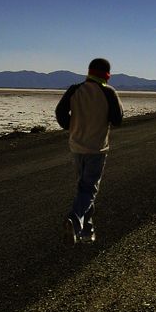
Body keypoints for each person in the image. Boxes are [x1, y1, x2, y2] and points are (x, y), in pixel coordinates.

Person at [55, 57, 124, 245]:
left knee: (83, 188)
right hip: (96, 147)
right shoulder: (108, 92)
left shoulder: (74, 90)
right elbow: (117, 119)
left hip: (76, 146)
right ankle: (74, 218)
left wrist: (72, 126)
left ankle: (87, 230)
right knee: (89, 189)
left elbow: (59, 112)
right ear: (107, 75)